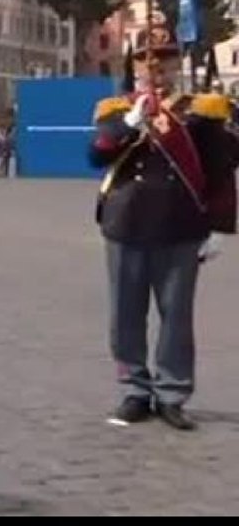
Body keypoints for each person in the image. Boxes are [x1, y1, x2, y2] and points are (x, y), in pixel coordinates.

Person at [89, 27, 239, 430]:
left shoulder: (199, 111)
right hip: (127, 222)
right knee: (125, 315)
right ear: (135, 65)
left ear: (176, 63)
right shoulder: (116, 109)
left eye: (166, 58)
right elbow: (96, 157)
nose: (156, 67)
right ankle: (134, 389)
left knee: (176, 317)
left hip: (180, 224)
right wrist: (130, 123)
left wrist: (221, 227)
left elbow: (221, 171)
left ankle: (172, 393)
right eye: (146, 59)